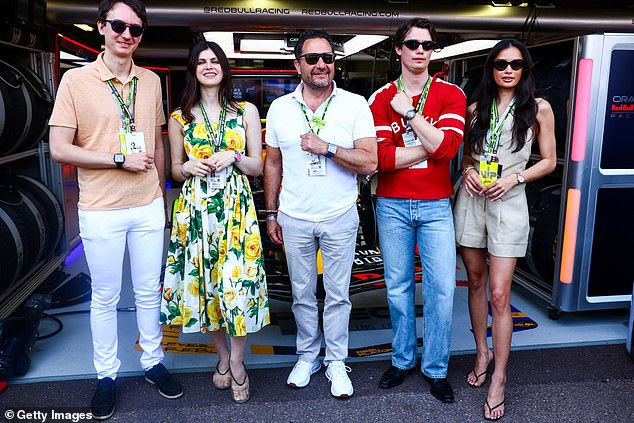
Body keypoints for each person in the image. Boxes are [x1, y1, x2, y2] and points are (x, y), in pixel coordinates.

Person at [48, 0, 182, 419]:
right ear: (102, 27)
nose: (127, 35)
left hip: (145, 205)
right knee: (104, 297)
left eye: (136, 29)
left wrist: (162, 195)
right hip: (101, 207)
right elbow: (58, 149)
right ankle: (106, 375)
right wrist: (117, 159)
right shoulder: (76, 80)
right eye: (119, 26)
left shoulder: (151, 81)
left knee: (148, 292)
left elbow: (157, 141)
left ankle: (152, 362)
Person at [263, 30, 377, 399]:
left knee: (339, 294)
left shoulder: (355, 104)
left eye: (327, 57)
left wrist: (327, 147)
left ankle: (336, 360)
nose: (321, 65)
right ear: (298, 65)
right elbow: (273, 165)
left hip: (340, 214)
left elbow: (369, 160)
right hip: (294, 216)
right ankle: (308, 354)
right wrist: (271, 213)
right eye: (312, 59)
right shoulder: (280, 108)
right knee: (301, 293)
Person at [160, 40, 270, 404]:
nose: (209, 66)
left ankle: (236, 362)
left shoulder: (246, 111)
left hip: (236, 210)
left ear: (224, 68)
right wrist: (187, 167)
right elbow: (174, 170)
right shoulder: (179, 117)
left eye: (215, 61)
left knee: (236, 288)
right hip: (197, 212)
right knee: (208, 289)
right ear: (193, 69)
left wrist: (234, 155)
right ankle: (222, 357)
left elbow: (258, 166)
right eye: (201, 61)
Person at [453, 39, 556, 420]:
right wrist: (467, 171)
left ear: (526, 69)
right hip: (473, 200)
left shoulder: (539, 109)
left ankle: (499, 377)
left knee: (500, 292)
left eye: (516, 64)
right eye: (501, 64)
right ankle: (482, 351)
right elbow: (466, 154)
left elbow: (548, 161)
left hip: (509, 202)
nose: (508, 70)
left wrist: (515, 179)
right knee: (476, 282)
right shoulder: (475, 108)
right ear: (491, 69)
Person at [368, 17, 466, 403]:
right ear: (398, 49)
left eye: (427, 45)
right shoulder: (378, 98)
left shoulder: (451, 94)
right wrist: (433, 143)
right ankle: (403, 359)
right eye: (412, 44)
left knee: (442, 289)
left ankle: (436, 368)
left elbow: (449, 151)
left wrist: (409, 115)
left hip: (436, 205)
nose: (420, 51)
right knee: (398, 288)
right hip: (391, 204)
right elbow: (382, 159)